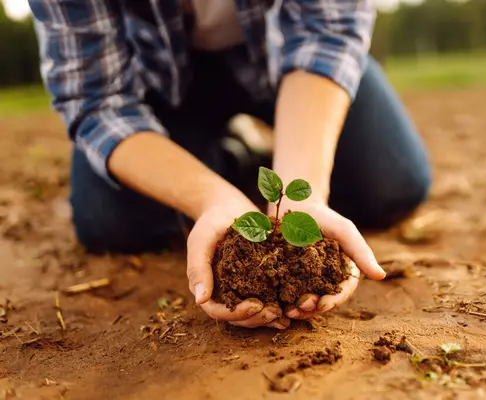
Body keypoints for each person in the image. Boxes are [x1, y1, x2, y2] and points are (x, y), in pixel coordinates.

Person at [29, 0, 431, 330]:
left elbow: (327, 33)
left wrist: (303, 189)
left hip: (285, 59)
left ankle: (258, 159)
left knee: (390, 183)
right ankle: (229, 160)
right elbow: (98, 101)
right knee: (110, 219)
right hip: (157, 80)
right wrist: (211, 198)